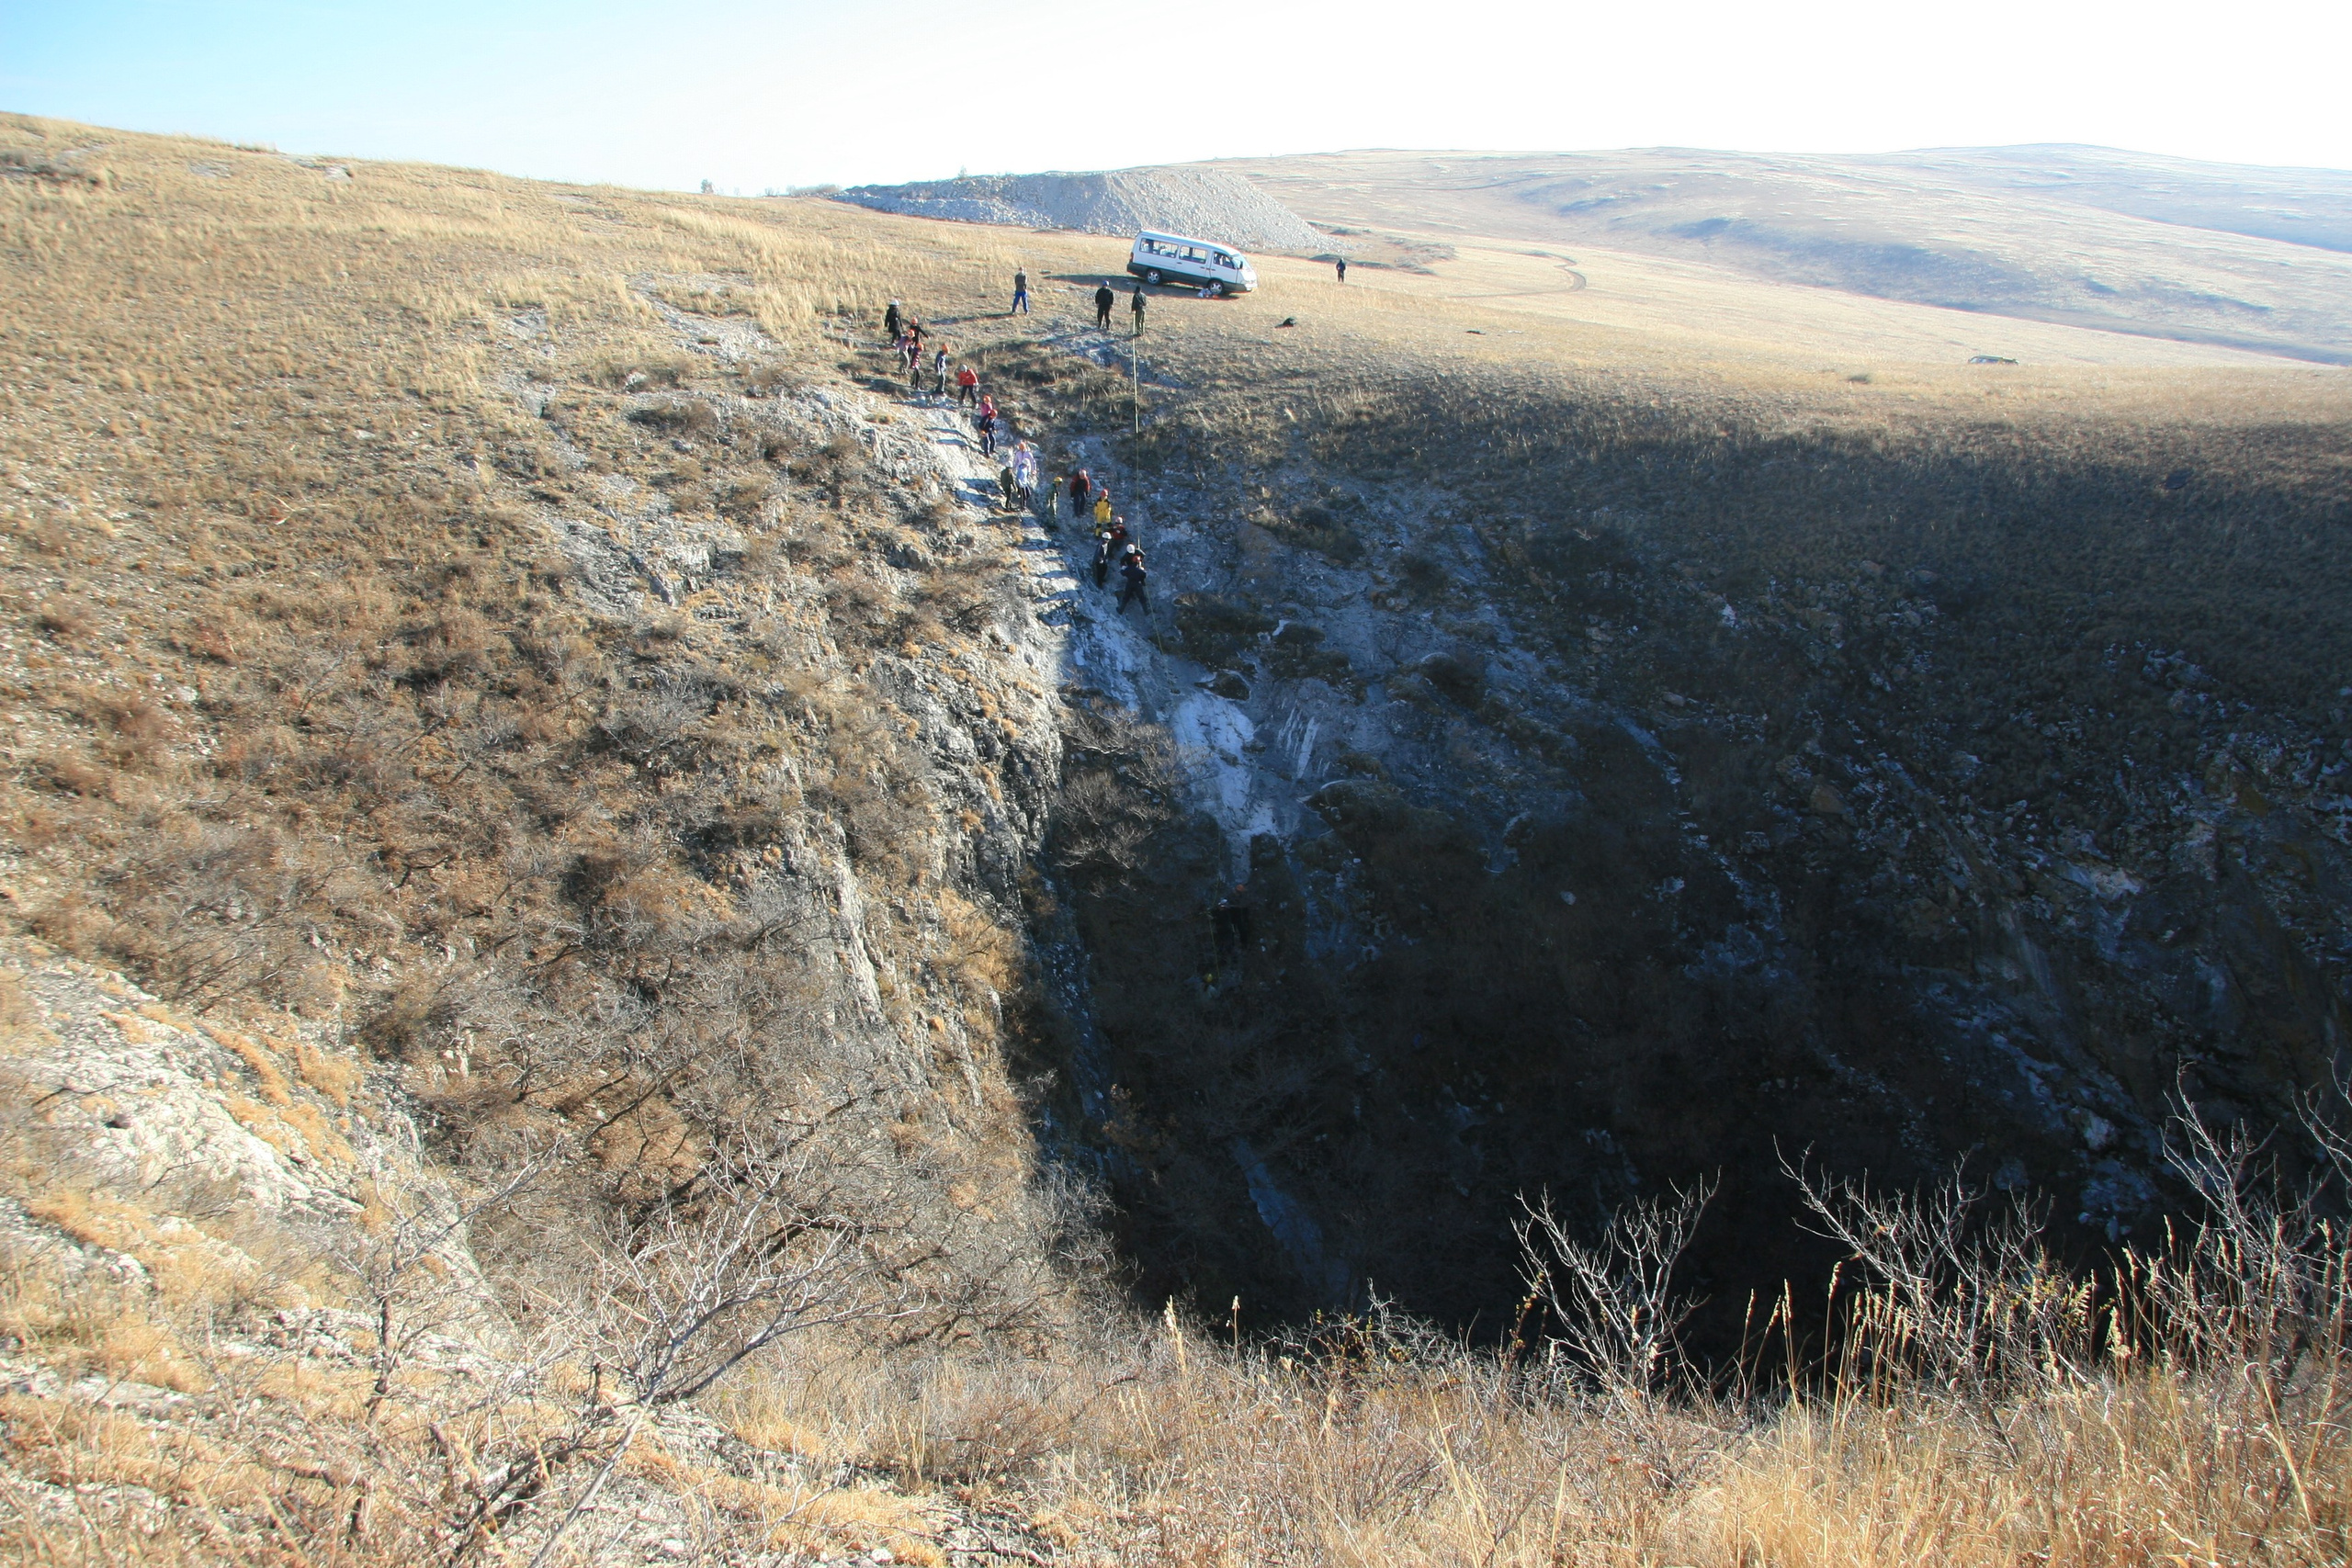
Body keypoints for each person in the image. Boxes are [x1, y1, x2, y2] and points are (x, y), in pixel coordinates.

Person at [1116, 546, 1148, 614]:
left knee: (1126, 597)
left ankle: (1120, 610)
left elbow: (1123, 573)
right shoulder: (1141, 571)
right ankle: (1146, 611)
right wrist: (1142, 569)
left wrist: (1124, 568)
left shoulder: (1128, 569)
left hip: (1130, 583)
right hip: (1138, 584)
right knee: (1142, 598)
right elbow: (1144, 575)